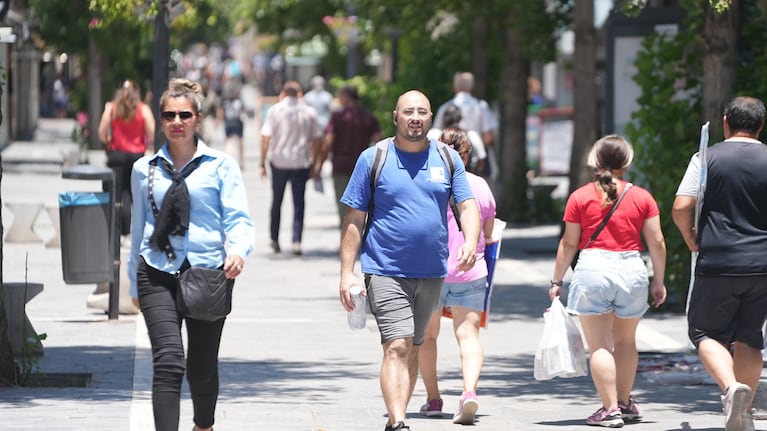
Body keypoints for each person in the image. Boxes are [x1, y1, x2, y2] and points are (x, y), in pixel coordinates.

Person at [338, 90, 481, 431]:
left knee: (414, 347)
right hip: (384, 267)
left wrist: (472, 241)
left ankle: (395, 417)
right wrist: (347, 272)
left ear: (430, 119)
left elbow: (466, 205)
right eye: (408, 112)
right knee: (397, 345)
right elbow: (355, 219)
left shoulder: (447, 158)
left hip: (432, 270)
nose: (415, 117)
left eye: (421, 112)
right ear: (395, 117)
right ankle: (399, 421)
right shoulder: (374, 158)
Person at [127, 78, 255, 431]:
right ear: (161, 119)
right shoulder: (144, 170)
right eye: (169, 115)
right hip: (156, 272)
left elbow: (239, 220)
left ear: (198, 118)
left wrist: (238, 252)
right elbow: (138, 230)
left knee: (201, 367)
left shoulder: (221, 166)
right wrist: (132, 282)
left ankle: (204, 425)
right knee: (168, 361)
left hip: (208, 273)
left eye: (184, 114)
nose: (176, 122)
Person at [548, 134, 667, 428]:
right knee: (626, 342)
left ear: (594, 161)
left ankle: (610, 409)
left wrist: (557, 279)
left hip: (593, 269)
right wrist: (659, 281)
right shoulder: (642, 197)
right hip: (631, 268)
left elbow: (568, 243)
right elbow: (658, 242)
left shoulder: (580, 196)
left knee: (600, 345)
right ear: (627, 162)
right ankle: (625, 402)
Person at [672, 96, 767, 431]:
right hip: (762, 264)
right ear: (761, 125)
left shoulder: (706, 158)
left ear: (726, 122)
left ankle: (732, 390)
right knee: (751, 337)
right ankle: (742, 411)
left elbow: (682, 206)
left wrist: (691, 238)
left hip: (717, 260)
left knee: (703, 332)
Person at [417, 127, 496, 425]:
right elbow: (487, 235)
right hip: (471, 269)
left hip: (431, 270)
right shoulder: (481, 186)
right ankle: (469, 392)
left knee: (427, 337)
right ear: (467, 155)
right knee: (468, 335)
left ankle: (434, 398)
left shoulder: (426, 182)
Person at [260, 81, 323, 255]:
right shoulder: (308, 112)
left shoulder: (274, 110)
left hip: (279, 161)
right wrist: (315, 161)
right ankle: (296, 241)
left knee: (277, 201)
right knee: (299, 203)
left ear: (283, 93)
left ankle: (274, 238)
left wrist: (262, 162)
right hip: (300, 162)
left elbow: (265, 137)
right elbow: (318, 139)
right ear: (299, 93)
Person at [315, 84, 381, 225]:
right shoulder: (367, 116)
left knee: (344, 210)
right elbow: (379, 141)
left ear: (346, 97)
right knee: (363, 208)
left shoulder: (338, 117)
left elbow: (328, 141)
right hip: (364, 168)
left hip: (341, 166)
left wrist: (319, 164)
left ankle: (346, 243)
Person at [98, 79, 156, 236]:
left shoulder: (112, 108)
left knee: (118, 193)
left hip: (116, 155)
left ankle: (119, 231)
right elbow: (151, 132)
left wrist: (109, 141)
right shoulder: (143, 109)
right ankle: (134, 231)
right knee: (134, 195)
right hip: (136, 156)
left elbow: (101, 133)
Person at [433, 72, 498, 179]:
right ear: (472, 87)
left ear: (454, 87)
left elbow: (436, 134)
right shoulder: (481, 107)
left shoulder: (445, 107)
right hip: (474, 158)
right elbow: (488, 137)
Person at [427, 104, 487, 176]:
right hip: (467, 176)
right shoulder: (472, 135)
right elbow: (481, 159)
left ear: (443, 118)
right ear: (460, 118)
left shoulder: (434, 135)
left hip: (439, 176)